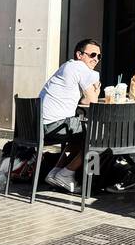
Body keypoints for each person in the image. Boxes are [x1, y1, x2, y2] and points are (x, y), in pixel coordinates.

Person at [39, 38, 102, 194]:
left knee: (81, 135)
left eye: (99, 56)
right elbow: (93, 101)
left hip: (40, 126)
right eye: (92, 54)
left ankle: (56, 173)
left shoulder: (68, 67)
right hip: (55, 125)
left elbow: (84, 100)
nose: (95, 59)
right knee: (99, 135)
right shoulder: (79, 67)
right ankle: (68, 174)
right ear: (79, 55)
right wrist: (97, 90)